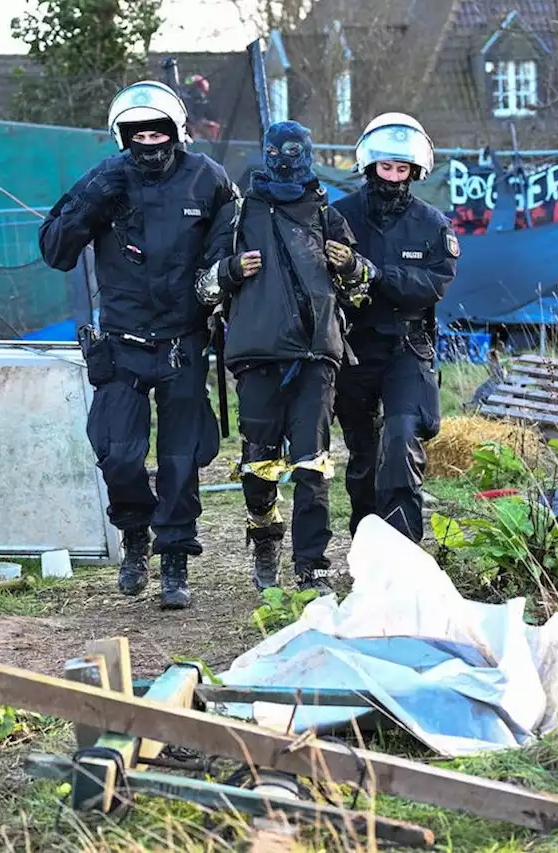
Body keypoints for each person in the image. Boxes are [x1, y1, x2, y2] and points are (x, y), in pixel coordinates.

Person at [38, 81, 237, 610]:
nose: (149, 142)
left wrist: (218, 290)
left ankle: (174, 560)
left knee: (180, 457)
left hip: (183, 341)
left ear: (176, 132)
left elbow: (231, 243)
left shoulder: (208, 180)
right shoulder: (106, 177)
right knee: (117, 454)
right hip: (122, 342)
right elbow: (56, 249)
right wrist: (93, 202)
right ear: (124, 137)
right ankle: (134, 537)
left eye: (158, 131)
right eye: (138, 133)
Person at [197, 120, 374, 595]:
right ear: (266, 154)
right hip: (255, 356)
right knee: (259, 464)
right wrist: (230, 270)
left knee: (313, 463)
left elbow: (360, 292)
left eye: (297, 150)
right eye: (279, 151)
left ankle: (311, 565)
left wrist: (353, 267)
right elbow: (203, 285)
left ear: (309, 153)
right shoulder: (238, 215)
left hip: (317, 356)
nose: (288, 159)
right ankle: (264, 534)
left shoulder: (327, 216)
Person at [332, 113, 459, 544]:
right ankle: (368, 545)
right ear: (370, 166)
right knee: (364, 453)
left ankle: (403, 548)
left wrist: (373, 274)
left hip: (407, 346)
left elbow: (433, 285)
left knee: (402, 437)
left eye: (401, 169)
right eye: (385, 167)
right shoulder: (339, 217)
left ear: (414, 172)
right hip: (353, 347)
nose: (392, 176)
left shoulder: (431, 224)